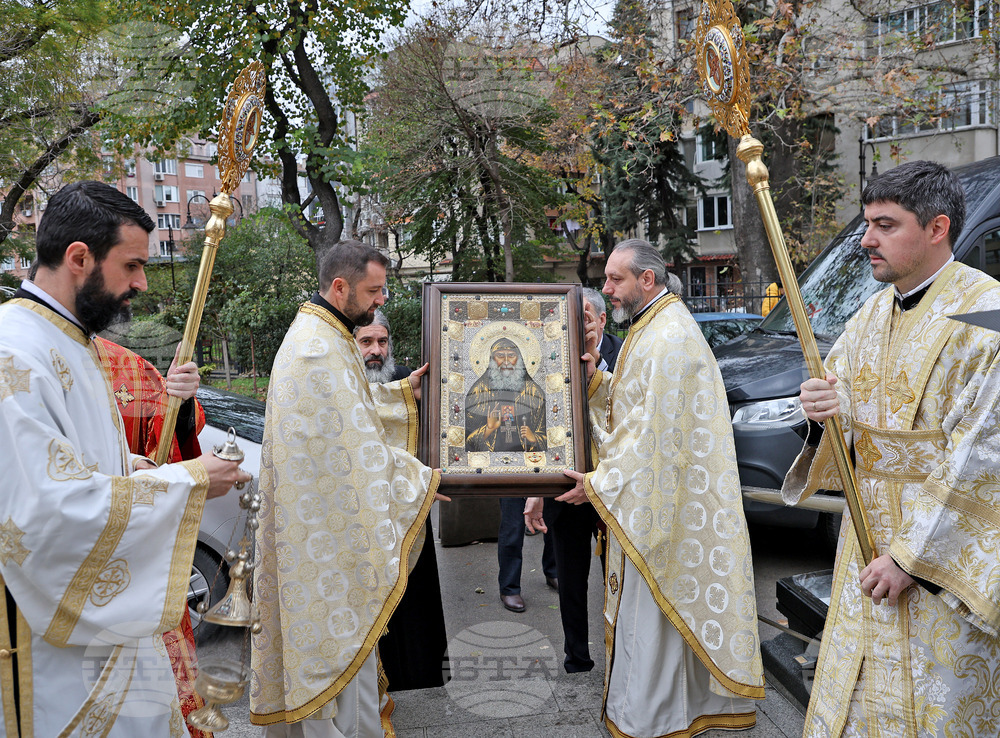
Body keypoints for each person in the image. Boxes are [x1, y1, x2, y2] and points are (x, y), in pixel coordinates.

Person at [0, 180, 248, 737]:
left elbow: (70, 465)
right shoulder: (13, 352)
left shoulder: (70, 339)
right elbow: (44, 514)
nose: (140, 282)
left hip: (105, 650)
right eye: (132, 265)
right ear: (79, 258)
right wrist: (187, 480)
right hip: (52, 658)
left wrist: (134, 469)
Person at [785, 160, 1000, 736]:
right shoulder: (872, 311)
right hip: (863, 541)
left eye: (885, 225)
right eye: (866, 224)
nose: (866, 240)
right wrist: (823, 412)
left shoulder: (990, 315)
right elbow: (850, 424)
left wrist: (912, 558)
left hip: (932, 563)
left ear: (936, 228)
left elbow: (983, 456)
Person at [527, 238, 764, 737]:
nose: (606, 289)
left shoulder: (669, 336)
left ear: (647, 280)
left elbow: (655, 438)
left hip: (666, 518)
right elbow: (635, 412)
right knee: (651, 635)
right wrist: (596, 378)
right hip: (651, 506)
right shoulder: (652, 327)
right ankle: (656, 717)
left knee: (655, 632)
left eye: (615, 280)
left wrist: (599, 484)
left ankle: (652, 723)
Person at [250, 240, 444, 736]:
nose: (380, 301)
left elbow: (346, 421)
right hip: (323, 554)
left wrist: (403, 393)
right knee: (333, 675)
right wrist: (421, 478)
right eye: (373, 291)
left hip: (321, 546)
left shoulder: (325, 336)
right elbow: (351, 454)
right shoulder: (317, 349)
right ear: (340, 287)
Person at [94, 335, 212, 738]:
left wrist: (179, 403)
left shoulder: (127, 366)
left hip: (141, 559)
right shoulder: (19, 356)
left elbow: (164, 444)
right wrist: (125, 467)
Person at [353, 311, 449, 691]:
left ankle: (421, 674)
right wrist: (404, 393)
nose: (376, 351)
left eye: (382, 342)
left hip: (410, 505)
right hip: (365, 510)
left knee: (415, 593)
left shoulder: (408, 378)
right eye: (366, 342)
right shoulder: (347, 381)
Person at [537, 286, 618, 672]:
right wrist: (535, 491)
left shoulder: (627, 355)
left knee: (617, 575)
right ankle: (577, 656)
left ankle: (623, 650)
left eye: (584, 316)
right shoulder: (548, 355)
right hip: (564, 490)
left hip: (611, 489)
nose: (577, 324)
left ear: (601, 320)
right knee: (570, 580)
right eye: (570, 317)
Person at [465, 337, 547, 452]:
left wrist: (534, 438)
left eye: (511, 355)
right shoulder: (479, 391)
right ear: (492, 359)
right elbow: (464, 442)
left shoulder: (533, 392)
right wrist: (488, 429)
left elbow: (552, 436)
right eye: (501, 356)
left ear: (519, 359)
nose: (507, 361)